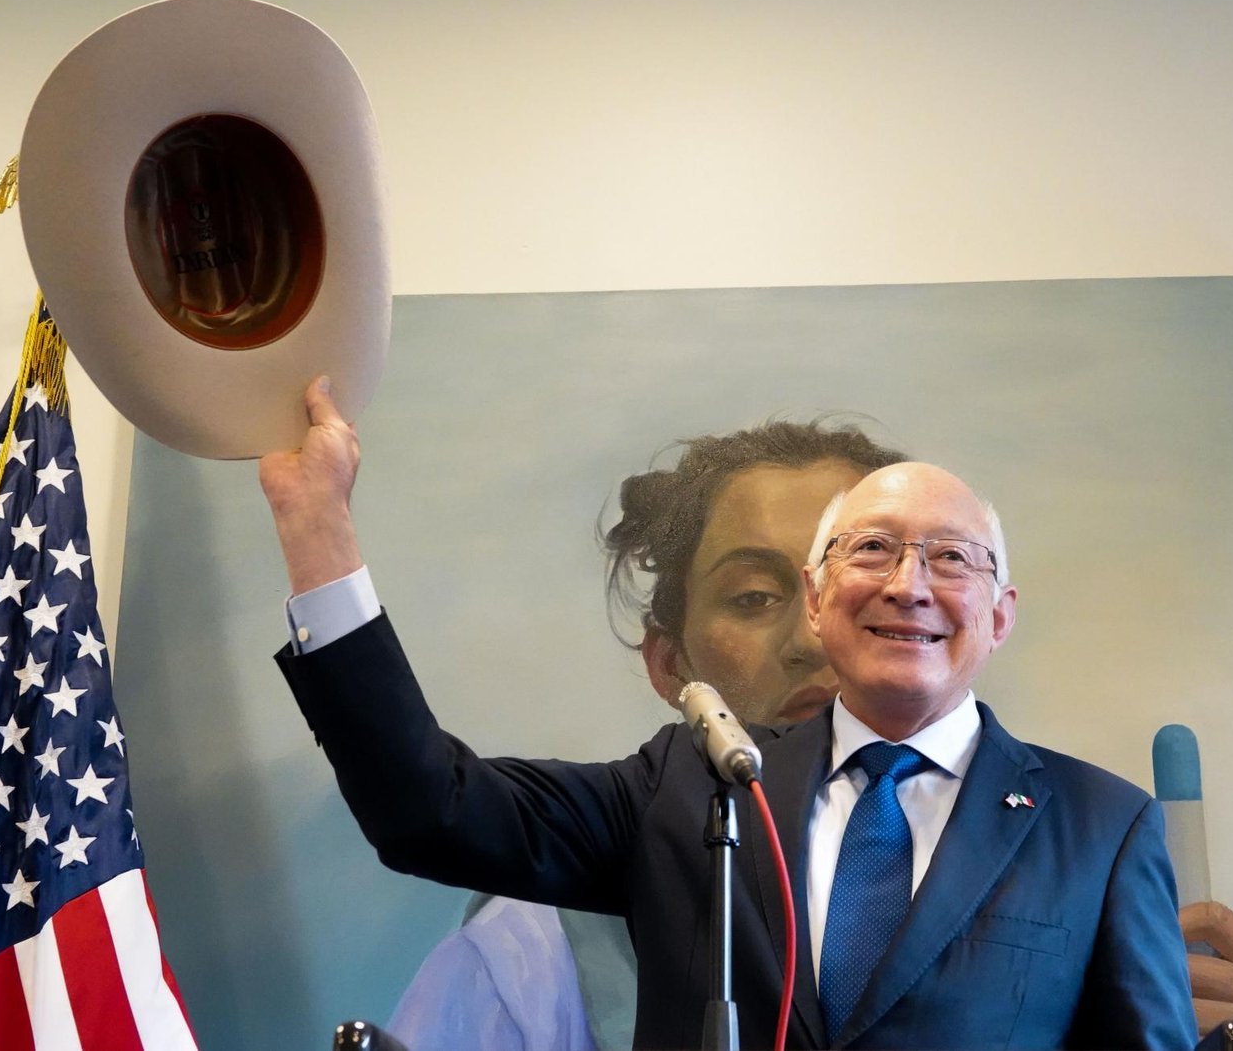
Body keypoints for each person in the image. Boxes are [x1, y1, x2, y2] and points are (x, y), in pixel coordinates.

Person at [262, 378, 1197, 1047]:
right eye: (872, 550)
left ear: (1001, 613)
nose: (909, 585)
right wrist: (317, 527)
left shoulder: (1102, 829)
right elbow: (430, 808)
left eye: (952, 557)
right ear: (820, 599)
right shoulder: (688, 786)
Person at [387, 417, 907, 1050]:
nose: (812, 639)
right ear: (670, 664)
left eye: (852, 587)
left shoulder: (1005, 857)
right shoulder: (528, 953)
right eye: (754, 597)